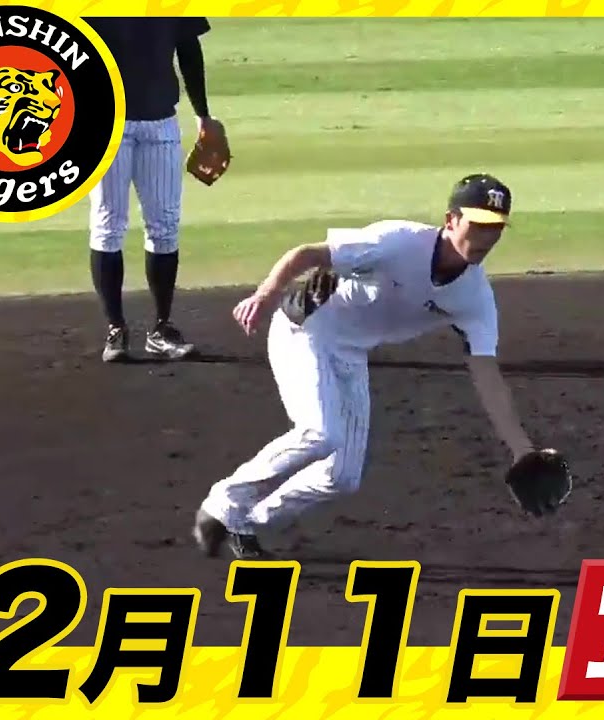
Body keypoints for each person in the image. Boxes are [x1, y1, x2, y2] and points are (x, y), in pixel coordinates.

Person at [192, 173, 537, 560]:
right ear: (451, 220)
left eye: (496, 227)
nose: (487, 237)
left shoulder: (475, 297)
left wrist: (522, 449)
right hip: (305, 330)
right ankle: (223, 503)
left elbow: (486, 373)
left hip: (351, 352)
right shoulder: (399, 242)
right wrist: (265, 294)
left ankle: (248, 521)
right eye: (479, 224)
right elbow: (306, 254)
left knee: (342, 477)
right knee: (320, 434)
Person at [84, 17, 222, 362]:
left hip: (161, 121)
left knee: (165, 226)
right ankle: (116, 329)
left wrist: (203, 116)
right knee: (108, 225)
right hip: (105, 122)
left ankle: (161, 329)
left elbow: (188, 47)